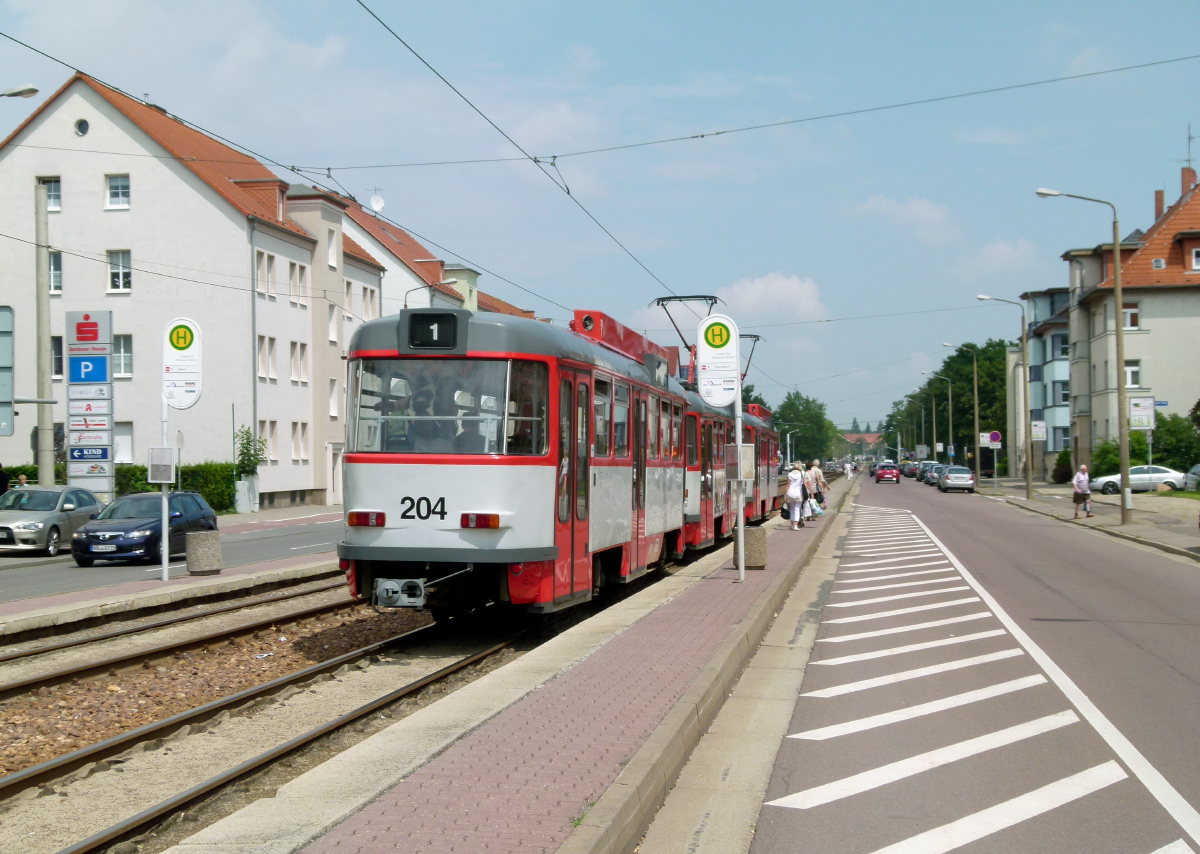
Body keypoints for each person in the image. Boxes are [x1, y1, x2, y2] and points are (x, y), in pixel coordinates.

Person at [785, 461, 807, 530]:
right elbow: (805, 484)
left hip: (790, 493)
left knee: (791, 509)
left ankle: (792, 525)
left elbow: (788, 485)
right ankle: (795, 525)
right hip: (798, 493)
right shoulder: (801, 474)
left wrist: (785, 495)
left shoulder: (789, 474)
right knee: (797, 509)